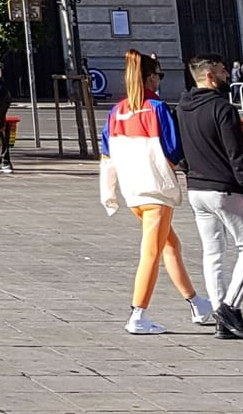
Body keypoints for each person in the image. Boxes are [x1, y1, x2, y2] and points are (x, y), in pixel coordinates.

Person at [100, 50, 215, 335]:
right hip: (155, 189)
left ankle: (196, 303)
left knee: (169, 245)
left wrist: (110, 192)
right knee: (151, 252)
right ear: (151, 78)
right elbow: (173, 148)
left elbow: (106, 152)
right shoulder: (156, 108)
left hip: (132, 190)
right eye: (159, 75)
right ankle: (137, 314)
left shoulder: (118, 111)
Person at [178, 55, 243, 342]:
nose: (227, 74)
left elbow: (178, 147)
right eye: (222, 70)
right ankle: (229, 308)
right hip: (224, 188)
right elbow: (236, 154)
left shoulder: (183, 107)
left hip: (196, 189)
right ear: (209, 76)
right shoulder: (223, 108)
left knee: (213, 251)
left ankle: (220, 316)